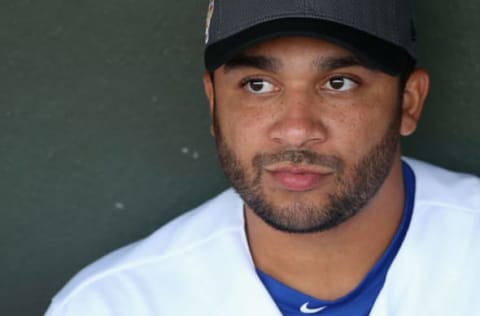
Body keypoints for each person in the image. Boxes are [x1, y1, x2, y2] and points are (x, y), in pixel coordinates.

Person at [45, 0, 480, 315]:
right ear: (213, 103)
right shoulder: (113, 304)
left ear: (409, 101)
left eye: (339, 83)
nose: (295, 129)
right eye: (257, 85)